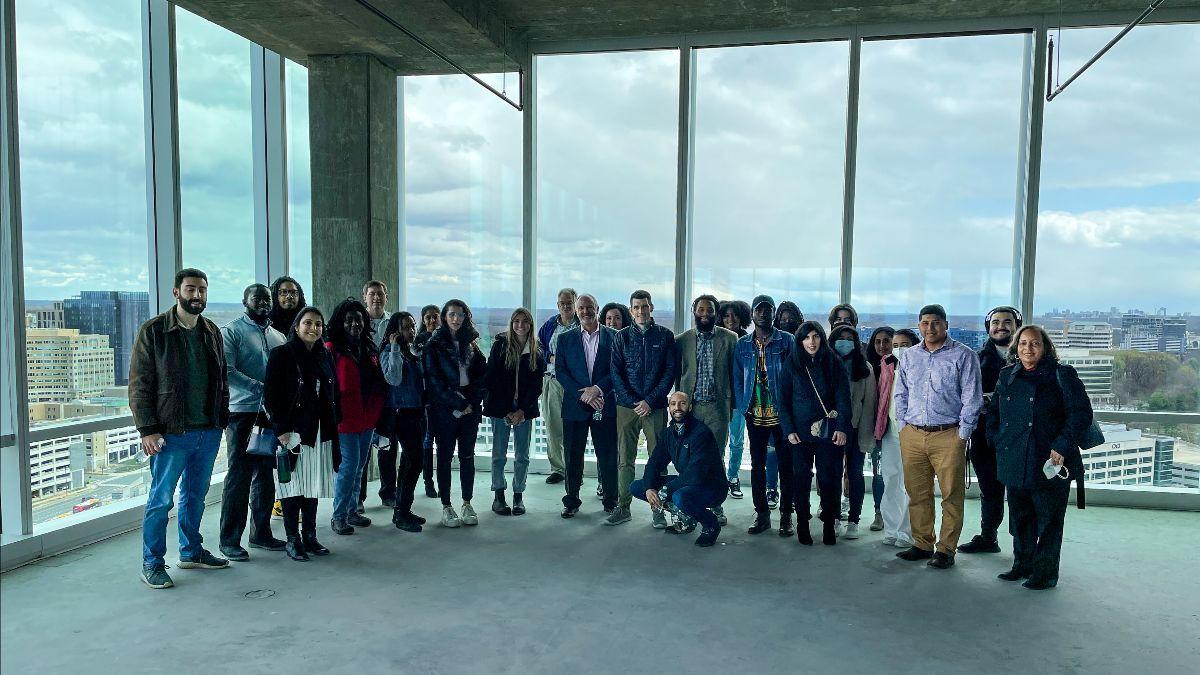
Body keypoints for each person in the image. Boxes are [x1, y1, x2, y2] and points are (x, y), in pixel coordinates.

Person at [130, 268, 230, 588]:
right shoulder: (154, 331)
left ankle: (191, 551)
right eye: (190, 289)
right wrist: (148, 429)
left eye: (202, 289)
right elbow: (140, 385)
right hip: (171, 433)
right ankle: (152, 562)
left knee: (195, 497)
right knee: (161, 500)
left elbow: (221, 380)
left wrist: (221, 421)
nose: (197, 295)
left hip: (208, 430)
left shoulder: (211, 330)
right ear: (176, 292)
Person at [988, 325, 1091, 590]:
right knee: (1020, 517)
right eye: (1023, 344)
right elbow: (995, 413)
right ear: (1016, 347)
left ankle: (1044, 574)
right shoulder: (1007, 375)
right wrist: (997, 439)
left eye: (1034, 343)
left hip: (1050, 460)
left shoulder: (1062, 375)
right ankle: (1021, 565)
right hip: (1015, 457)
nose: (1028, 349)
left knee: (1048, 521)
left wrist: (1062, 445)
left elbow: (1080, 414)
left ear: (1045, 347)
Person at [893, 304, 983, 569]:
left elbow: (972, 397)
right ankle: (922, 543)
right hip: (913, 433)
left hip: (948, 434)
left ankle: (945, 549)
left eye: (935, 323)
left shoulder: (963, 355)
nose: (929, 328)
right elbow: (901, 393)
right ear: (918, 326)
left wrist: (962, 434)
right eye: (924, 323)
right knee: (917, 492)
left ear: (945, 324)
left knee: (950, 495)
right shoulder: (909, 356)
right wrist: (903, 426)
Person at [217, 284, 287, 562]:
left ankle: (261, 534)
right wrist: (261, 388)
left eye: (267, 299)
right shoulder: (232, 331)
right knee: (239, 477)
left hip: (270, 415)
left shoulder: (277, 335)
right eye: (257, 298)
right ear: (244, 301)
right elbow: (227, 371)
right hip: (243, 413)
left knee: (266, 476)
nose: (263, 303)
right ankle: (229, 540)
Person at [263, 307, 338, 561]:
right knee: (291, 489)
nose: (313, 328)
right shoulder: (282, 354)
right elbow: (271, 396)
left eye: (318, 324)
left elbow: (330, 393)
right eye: (308, 323)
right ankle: (292, 540)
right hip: (292, 433)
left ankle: (310, 536)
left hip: (319, 433)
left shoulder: (325, 355)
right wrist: (282, 430)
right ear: (296, 326)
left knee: (312, 486)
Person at [608, 290, 677, 527]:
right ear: (631, 310)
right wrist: (633, 401)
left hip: (655, 407)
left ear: (651, 307)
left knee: (656, 459)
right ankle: (623, 506)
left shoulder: (665, 336)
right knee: (624, 458)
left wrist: (649, 400)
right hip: (627, 408)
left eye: (644, 306)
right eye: (636, 307)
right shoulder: (622, 337)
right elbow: (616, 373)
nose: (641, 311)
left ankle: (657, 510)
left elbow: (669, 373)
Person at [778, 322, 851, 545]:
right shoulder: (791, 363)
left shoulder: (833, 362)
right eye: (807, 337)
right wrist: (788, 430)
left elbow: (843, 397)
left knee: (828, 479)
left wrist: (841, 427)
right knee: (800, 480)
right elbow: (783, 400)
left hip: (828, 432)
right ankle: (802, 524)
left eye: (816, 336)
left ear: (822, 338)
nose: (812, 342)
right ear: (800, 341)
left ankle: (829, 525)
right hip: (799, 435)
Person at [959, 306, 1022, 555]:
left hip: (1019, 437)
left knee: (1019, 492)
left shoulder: (1027, 356)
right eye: (995, 322)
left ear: (1017, 326)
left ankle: (1023, 545)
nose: (1001, 326)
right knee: (989, 489)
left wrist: (991, 400)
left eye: (1007, 322)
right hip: (985, 436)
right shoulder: (976, 358)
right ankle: (988, 536)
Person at [629, 392, 728, 547]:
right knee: (637, 487)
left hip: (712, 486)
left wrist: (665, 490)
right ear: (669, 407)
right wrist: (649, 488)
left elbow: (696, 473)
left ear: (690, 407)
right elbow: (655, 462)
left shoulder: (701, 433)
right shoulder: (669, 433)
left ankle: (711, 525)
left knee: (679, 496)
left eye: (682, 403)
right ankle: (686, 518)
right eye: (673, 404)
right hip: (688, 483)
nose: (677, 407)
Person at [732, 295, 795, 536]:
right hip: (754, 414)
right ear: (752, 315)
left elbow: (793, 376)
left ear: (774, 314)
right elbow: (738, 378)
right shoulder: (743, 345)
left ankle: (787, 516)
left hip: (782, 414)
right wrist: (743, 406)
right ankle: (762, 515)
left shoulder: (787, 341)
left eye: (768, 310)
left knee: (786, 467)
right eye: (759, 310)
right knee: (757, 466)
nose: (763, 314)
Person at [674, 294, 736, 526]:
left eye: (709, 310)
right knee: (689, 460)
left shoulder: (730, 339)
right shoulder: (681, 340)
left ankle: (715, 505)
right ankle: (689, 506)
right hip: (690, 409)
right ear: (694, 312)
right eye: (700, 310)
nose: (705, 314)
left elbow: (734, 373)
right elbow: (678, 373)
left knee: (716, 458)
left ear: (716, 313)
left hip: (717, 409)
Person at [424, 299, 487, 528]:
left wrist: (470, 403)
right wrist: (457, 404)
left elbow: (482, 377)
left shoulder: (472, 343)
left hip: (469, 409)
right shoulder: (434, 345)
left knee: (467, 456)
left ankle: (467, 503)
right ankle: (447, 505)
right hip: (445, 410)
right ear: (444, 317)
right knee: (444, 456)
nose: (456, 319)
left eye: (460, 315)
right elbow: (434, 382)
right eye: (451, 314)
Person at [325, 298, 386, 535]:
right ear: (340, 322)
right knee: (349, 466)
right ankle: (338, 515)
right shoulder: (331, 349)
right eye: (349, 320)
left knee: (359, 466)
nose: (354, 324)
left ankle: (352, 511)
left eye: (358, 319)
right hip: (345, 419)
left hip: (367, 417)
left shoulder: (368, 347)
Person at [556, 294, 619, 518]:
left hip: (605, 402)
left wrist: (598, 390)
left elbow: (617, 371)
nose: (585, 311)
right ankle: (571, 500)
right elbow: (561, 372)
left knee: (608, 455)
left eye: (589, 307)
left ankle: (612, 500)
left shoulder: (614, 337)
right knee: (573, 456)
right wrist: (584, 395)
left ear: (597, 308)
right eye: (581, 308)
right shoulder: (565, 339)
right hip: (575, 406)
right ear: (575, 310)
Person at [484, 308, 545, 516]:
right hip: (500, 408)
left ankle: (518, 494)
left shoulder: (536, 351)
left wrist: (521, 411)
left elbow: (536, 387)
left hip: (524, 411)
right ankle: (498, 495)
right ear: (511, 324)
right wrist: (506, 410)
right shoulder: (500, 346)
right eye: (516, 321)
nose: (520, 325)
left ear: (531, 325)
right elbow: (492, 379)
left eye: (525, 321)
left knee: (522, 455)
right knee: (498, 454)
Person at [379, 312, 429, 532]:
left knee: (412, 462)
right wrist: (395, 348)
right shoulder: (389, 352)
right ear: (394, 330)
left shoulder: (412, 352)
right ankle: (400, 513)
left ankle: (403, 509)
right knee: (413, 461)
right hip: (401, 413)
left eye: (412, 326)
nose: (410, 331)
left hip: (416, 412)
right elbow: (394, 379)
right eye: (405, 327)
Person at [828, 324, 877, 539]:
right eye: (841, 338)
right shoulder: (824, 364)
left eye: (850, 338)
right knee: (832, 474)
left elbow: (869, 404)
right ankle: (835, 517)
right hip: (830, 429)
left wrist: (866, 436)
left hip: (856, 429)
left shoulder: (864, 368)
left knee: (855, 474)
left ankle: (854, 520)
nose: (845, 342)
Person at [874, 329, 915, 548]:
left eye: (905, 344)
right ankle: (891, 529)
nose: (899, 349)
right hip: (890, 429)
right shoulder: (887, 364)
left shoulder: (920, 366)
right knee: (890, 479)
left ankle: (907, 532)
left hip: (913, 431)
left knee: (910, 484)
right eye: (896, 345)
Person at [537, 288, 579, 485]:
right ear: (557, 304)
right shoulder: (550, 325)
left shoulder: (582, 324)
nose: (566, 306)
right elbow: (541, 347)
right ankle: (558, 469)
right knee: (554, 426)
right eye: (562, 303)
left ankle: (573, 469)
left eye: (569, 302)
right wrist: (551, 357)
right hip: (553, 381)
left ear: (575, 303)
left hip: (576, 384)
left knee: (574, 427)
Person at [358, 280, 393, 510]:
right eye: (372, 294)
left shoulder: (394, 322)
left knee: (388, 447)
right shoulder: (357, 322)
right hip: (364, 395)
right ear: (365, 298)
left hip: (388, 394)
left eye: (380, 294)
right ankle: (358, 497)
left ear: (386, 297)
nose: (376, 298)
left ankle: (389, 493)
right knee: (361, 450)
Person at [765, 301, 803, 510]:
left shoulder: (804, 343)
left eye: (791, 318)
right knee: (772, 451)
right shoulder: (773, 342)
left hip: (798, 407)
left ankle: (795, 492)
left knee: (796, 451)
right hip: (774, 406)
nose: (787, 322)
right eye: (783, 318)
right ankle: (771, 489)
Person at [864, 326, 895, 530]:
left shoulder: (900, 365)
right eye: (877, 341)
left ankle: (896, 514)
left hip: (896, 427)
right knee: (878, 473)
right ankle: (879, 513)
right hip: (874, 426)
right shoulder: (866, 367)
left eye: (887, 341)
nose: (882, 346)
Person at [719, 299, 751, 499]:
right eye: (726, 315)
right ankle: (719, 477)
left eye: (735, 315)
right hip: (720, 397)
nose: (730, 319)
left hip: (739, 399)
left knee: (737, 441)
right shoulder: (718, 338)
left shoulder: (747, 340)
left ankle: (732, 477)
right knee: (718, 441)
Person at [416, 304, 440, 498]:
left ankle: (440, 481)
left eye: (435, 317)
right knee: (426, 442)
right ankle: (428, 482)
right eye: (428, 318)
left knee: (440, 442)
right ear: (423, 321)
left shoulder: (446, 338)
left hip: (442, 399)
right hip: (424, 400)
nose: (432, 320)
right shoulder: (419, 341)